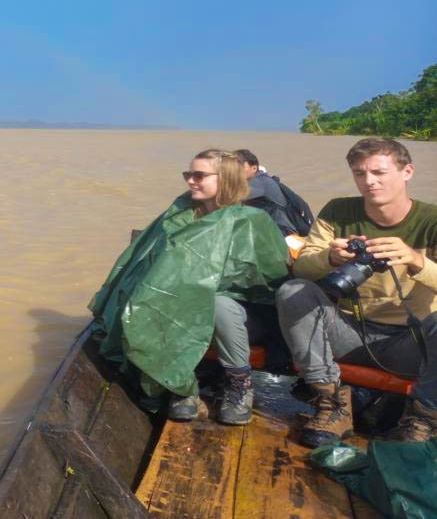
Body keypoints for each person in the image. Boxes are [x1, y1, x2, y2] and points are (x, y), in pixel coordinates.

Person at [89, 149, 290, 426]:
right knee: (153, 299)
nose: (190, 181)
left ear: (227, 179)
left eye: (199, 175)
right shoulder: (175, 217)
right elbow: (142, 261)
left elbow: (267, 282)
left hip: (237, 315)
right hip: (179, 305)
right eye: (188, 175)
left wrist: (199, 288)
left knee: (217, 304)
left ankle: (239, 385)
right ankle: (182, 387)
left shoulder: (253, 221)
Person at [276, 137, 437, 446]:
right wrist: (330, 258)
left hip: (410, 341)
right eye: (359, 173)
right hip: (349, 332)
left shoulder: (431, 220)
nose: (369, 182)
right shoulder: (339, 211)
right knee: (292, 291)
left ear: (407, 172)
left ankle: (423, 419)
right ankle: (330, 402)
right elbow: (302, 268)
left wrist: (417, 261)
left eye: (379, 172)